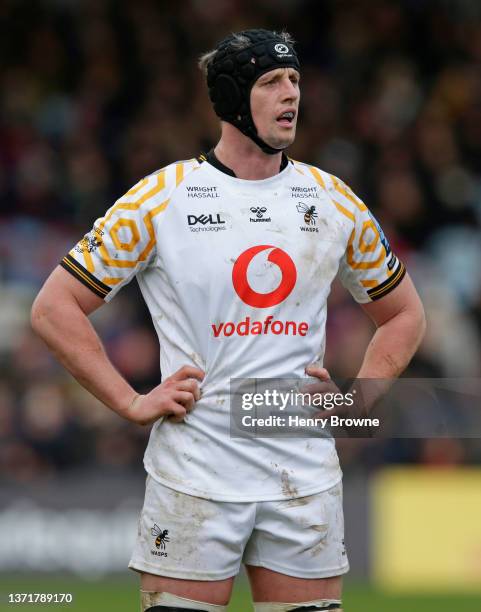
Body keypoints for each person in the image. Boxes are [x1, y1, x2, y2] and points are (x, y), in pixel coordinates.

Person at [31, 29, 425, 612]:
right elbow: (53, 307)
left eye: (295, 80)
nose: (291, 94)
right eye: (271, 82)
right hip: (196, 472)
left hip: (303, 471)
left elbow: (404, 315)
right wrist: (128, 400)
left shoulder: (334, 200)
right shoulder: (161, 198)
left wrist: (359, 399)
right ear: (232, 97)